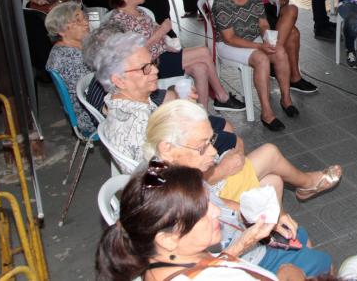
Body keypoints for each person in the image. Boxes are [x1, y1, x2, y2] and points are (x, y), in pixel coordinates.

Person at [142, 102, 341, 279]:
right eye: (202, 147)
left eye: (211, 141)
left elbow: (222, 204)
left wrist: (267, 216)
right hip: (242, 260)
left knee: (300, 237)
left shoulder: (172, 175)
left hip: (238, 241)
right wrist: (245, 244)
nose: (213, 152)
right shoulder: (162, 198)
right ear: (167, 148)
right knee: (322, 261)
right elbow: (207, 270)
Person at [95, 163, 357, 281]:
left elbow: (204, 265)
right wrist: (289, 275)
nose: (216, 213)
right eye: (203, 211)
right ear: (167, 237)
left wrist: (243, 242)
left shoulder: (161, 261)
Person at [84, 28, 240, 166]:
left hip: (178, 160)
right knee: (241, 147)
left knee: (231, 137)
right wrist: (222, 171)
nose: (155, 71)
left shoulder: (124, 99)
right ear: (119, 80)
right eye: (145, 68)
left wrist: (183, 106)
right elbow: (167, 182)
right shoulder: (135, 125)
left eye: (152, 63)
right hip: (185, 185)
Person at [108, 0, 244, 112]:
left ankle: (202, 113)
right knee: (203, 52)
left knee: (201, 68)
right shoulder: (118, 20)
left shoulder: (140, 12)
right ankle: (221, 96)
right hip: (151, 65)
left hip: (164, 54)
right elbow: (135, 53)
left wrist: (166, 41)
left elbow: (156, 36)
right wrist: (162, 31)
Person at [212, 0, 297, 131]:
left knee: (279, 51)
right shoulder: (221, 2)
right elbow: (229, 38)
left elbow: (263, 23)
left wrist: (267, 37)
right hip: (229, 45)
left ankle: (286, 99)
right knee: (261, 59)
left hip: (253, 38)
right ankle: (266, 113)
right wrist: (260, 46)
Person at [240, 0, 318, 94]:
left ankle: (273, 55)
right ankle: (294, 77)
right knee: (293, 33)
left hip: (274, 9)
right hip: (255, 14)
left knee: (292, 8)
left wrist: (280, 0)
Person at [44, 2, 98, 134]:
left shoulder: (74, 47)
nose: (85, 23)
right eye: (77, 21)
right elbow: (93, 91)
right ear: (61, 31)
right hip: (91, 115)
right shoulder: (68, 57)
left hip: (94, 105)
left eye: (84, 18)